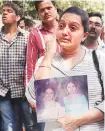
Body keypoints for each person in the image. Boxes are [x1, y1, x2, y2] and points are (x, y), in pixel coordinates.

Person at [26, 6, 105, 131]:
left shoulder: (99, 59)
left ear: (84, 35)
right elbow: (32, 98)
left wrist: (77, 120)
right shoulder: (45, 61)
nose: (64, 32)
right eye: (61, 26)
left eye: (73, 28)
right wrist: (48, 56)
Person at [0, 2, 36, 131]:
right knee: (7, 125)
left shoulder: (27, 38)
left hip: (23, 91)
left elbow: (33, 64)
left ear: (17, 17)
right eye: (3, 10)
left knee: (30, 124)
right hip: (2, 91)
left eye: (9, 11)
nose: (4, 13)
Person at [25, 0, 59, 87]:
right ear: (38, 14)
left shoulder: (68, 28)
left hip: (70, 82)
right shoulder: (34, 34)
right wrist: (29, 88)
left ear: (55, 8)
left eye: (49, 8)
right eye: (42, 10)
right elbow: (31, 64)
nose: (46, 11)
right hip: (46, 85)